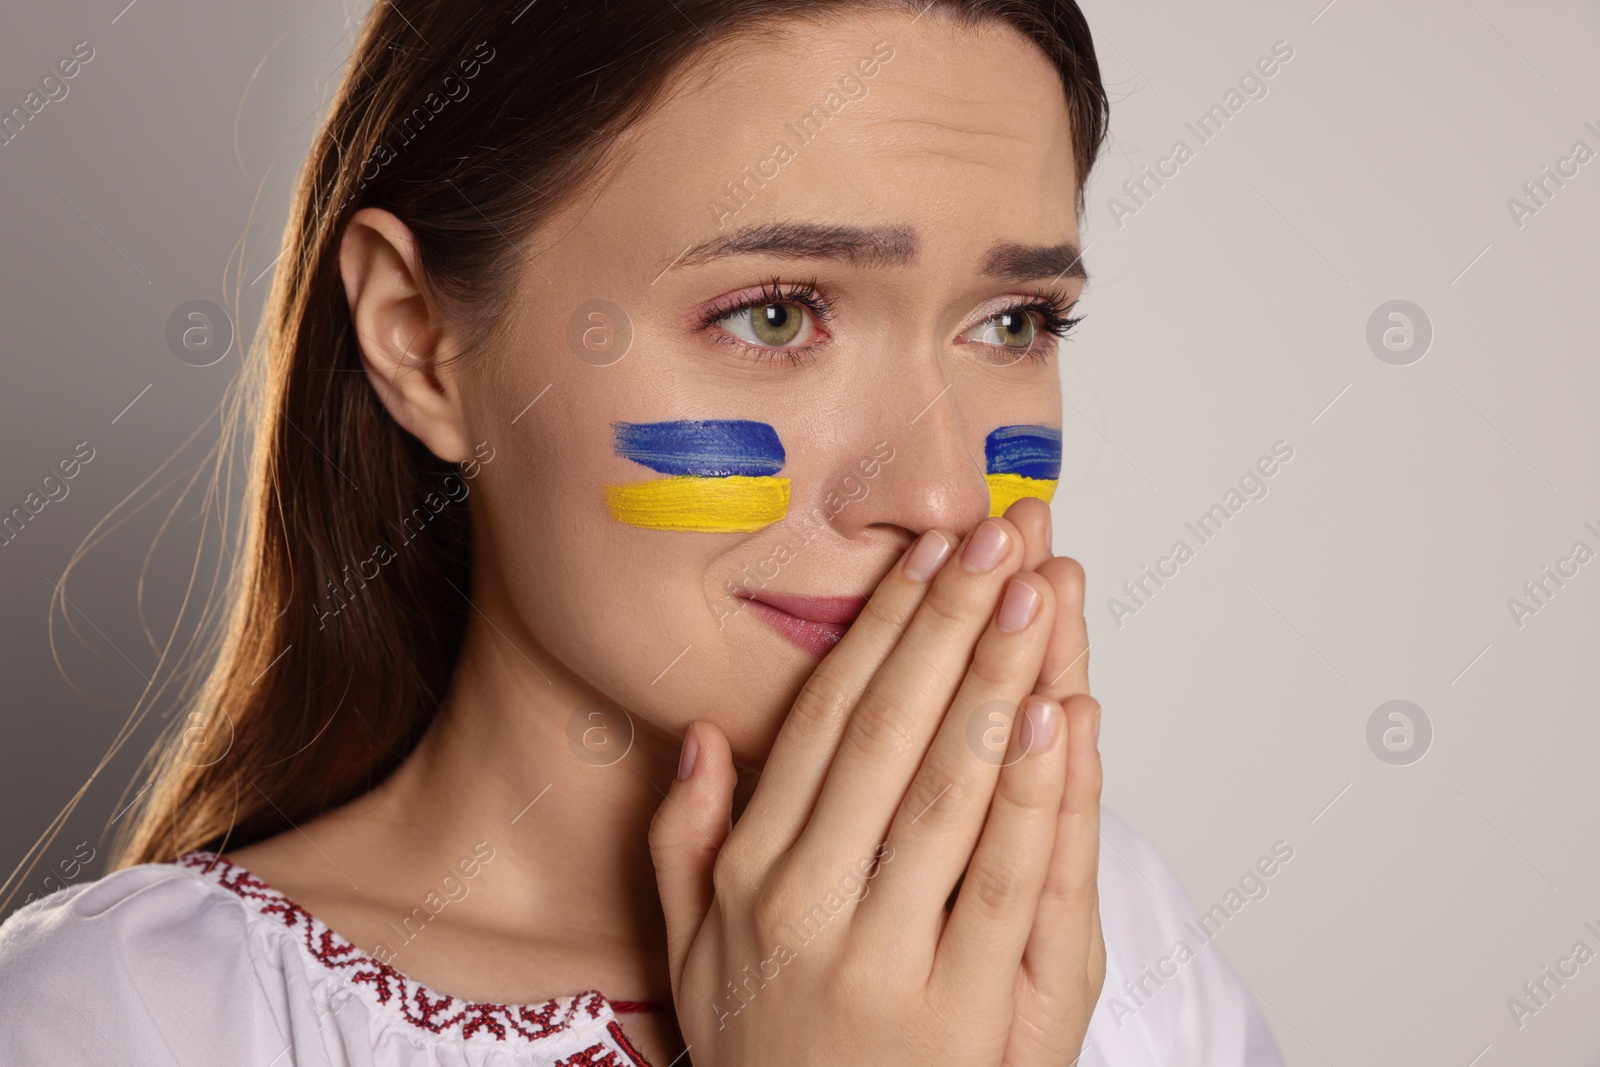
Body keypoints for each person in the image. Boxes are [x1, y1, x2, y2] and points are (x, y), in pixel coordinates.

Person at [0, 1, 1283, 1063]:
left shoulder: (1101, 935)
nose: (943, 495)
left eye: (1014, 321)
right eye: (776, 315)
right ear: (417, 337)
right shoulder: (118, 1018)